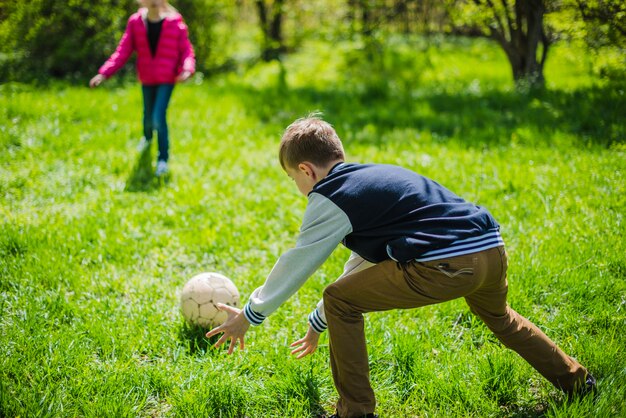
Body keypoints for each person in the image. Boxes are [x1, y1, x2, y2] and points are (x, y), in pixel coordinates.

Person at [207, 115, 596, 418]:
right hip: (490, 249)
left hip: (447, 263)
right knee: (502, 319)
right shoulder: (369, 179)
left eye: (293, 179)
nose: (298, 187)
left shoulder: (330, 195)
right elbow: (365, 263)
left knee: (340, 299)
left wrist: (251, 316)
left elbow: (299, 261)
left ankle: (355, 411)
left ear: (306, 170)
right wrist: (318, 321)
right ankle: (579, 383)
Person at [90, 0, 195, 177]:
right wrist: (104, 73)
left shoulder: (175, 23)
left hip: (167, 79)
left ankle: (163, 159)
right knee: (147, 116)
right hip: (147, 78)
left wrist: (187, 69)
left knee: (158, 117)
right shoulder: (136, 23)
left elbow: (187, 51)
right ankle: (147, 139)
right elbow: (122, 52)